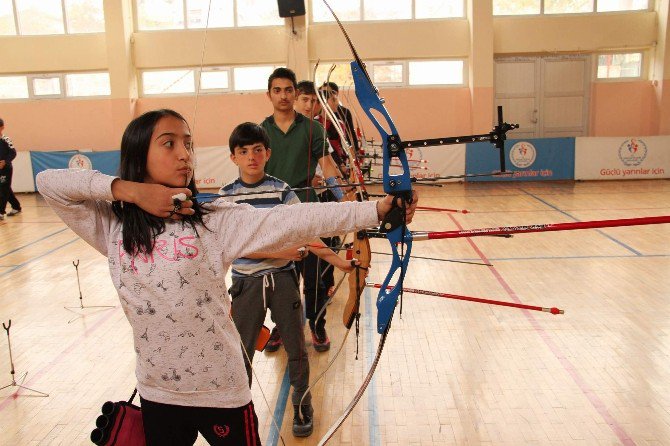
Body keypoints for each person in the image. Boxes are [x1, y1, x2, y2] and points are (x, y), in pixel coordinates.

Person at [36, 109, 417, 446]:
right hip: (157, 391)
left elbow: (293, 219)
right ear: (138, 155)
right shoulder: (113, 227)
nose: (185, 153)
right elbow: (49, 183)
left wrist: (377, 209)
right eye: (168, 144)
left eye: (187, 143)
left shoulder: (215, 220)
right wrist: (129, 191)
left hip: (221, 391)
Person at [219, 122, 358, 437]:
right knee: (242, 352)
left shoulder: (281, 191)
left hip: (282, 283)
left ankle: (302, 403)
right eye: (243, 151)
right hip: (247, 285)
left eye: (257, 150)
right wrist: (281, 251)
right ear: (233, 157)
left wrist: (339, 261)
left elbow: (306, 230)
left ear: (268, 153)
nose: (251, 157)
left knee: (296, 348)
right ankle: (241, 414)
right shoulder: (226, 196)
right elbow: (234, 246)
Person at [261, 68, 347, 353]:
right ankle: (281, 327)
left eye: (289, 90)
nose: (284, 96)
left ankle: (318, 325)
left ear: (295, 93)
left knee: (315, 276)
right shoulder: (260, 131)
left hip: (308, 210)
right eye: (277, 90)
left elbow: (328, 167)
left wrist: (344, 202)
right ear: (269, 94)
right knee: (280, 278)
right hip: (275, 215)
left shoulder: (313, 129)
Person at [0, 118, 22, 220]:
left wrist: (5, 162)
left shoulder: (6, 140)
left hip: (6, 168)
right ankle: (16, 207)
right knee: (6, 188)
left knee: (3, 189)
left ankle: (1, 212)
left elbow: (13, 153)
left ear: (2, 127)